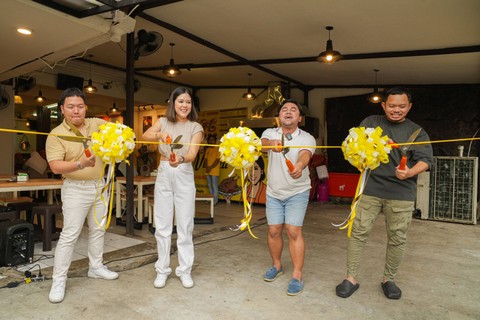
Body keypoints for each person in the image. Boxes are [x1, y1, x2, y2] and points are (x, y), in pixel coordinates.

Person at [335, 87, 433, 300]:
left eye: (401, 106)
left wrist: (409, 173)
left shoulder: (417, 132)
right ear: (383, 106)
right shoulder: (371, 122)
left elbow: (426, 161)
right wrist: (370, 149)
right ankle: (351, 278)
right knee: (358, 233)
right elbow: (354, 145)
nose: (396, 110)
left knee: (397, 238)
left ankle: (389, 279)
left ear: (409, 107)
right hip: (370, 189)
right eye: (392, 106)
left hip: (401, 194)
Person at [46, 87, 118, 303]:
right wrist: (80, 163)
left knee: (98, 230)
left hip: (99, 186)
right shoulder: (55, 135)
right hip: (75, 189)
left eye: (79, 106)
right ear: (62, 110)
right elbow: (55, 167)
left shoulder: (97, 124)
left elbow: (120, 132)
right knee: (70, 235)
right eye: (70, 107)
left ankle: (95, 267)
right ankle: (59, 280)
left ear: (85, 107)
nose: (76, 111)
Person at [142, 86, 203, 289]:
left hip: (184, 170)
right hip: (164, 169)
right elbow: (145, 135)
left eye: (188, 102)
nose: (184, 105)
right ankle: (162, 270)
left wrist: (181, 159)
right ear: (173, 103)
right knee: (162, 225)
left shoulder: (196, 127)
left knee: (185, 225)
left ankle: (185, 270)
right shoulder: (163, 121)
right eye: (180, 101)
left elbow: (193, 154)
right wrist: (159, 135)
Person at [260, 99, 316, 296]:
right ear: (279, 116)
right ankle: (276, 266)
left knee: (293, 231)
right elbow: (262, 144)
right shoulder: (270, 133)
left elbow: (304, 156)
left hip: (297, 191)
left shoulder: (307, 137)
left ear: (300, 118)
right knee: (274, 230)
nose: (288, 112)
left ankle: (297, 275)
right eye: (285, 109)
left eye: (294, 110)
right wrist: (271, 144)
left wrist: (299, 167)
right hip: (274, 191)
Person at [204, 134, 220, 205]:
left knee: (214, 186)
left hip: (214, 171)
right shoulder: (208, 149)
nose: (211, 141)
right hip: (208, 170)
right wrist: (207, 167)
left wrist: (210, 167)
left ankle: (215, 201)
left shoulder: (217, 149)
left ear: (215, 141)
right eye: (210, 140)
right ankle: (210, 199)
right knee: (209, 185)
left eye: (212, 140)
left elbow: (217, 160)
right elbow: (205, 159)